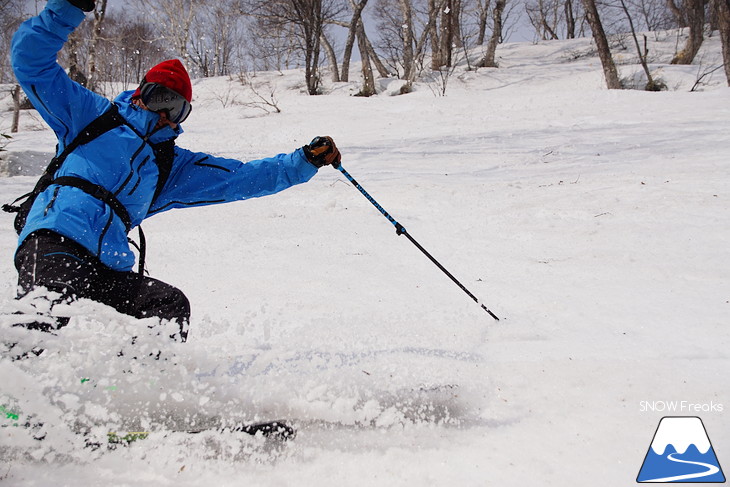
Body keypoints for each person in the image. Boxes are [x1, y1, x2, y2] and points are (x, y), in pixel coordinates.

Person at [9, 0, 341, 341]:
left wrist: (304, 160)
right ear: (141, 94)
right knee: (45, 310)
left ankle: (137, 387)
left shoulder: (168, 166)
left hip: (108, 263)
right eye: (161, 100)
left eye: (178, 109)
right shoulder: (92, 117)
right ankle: (18, 380)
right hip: (54, 238)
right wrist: (67, 8)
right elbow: (31, 62)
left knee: (168, 306)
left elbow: (241, 178)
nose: (167, 115)